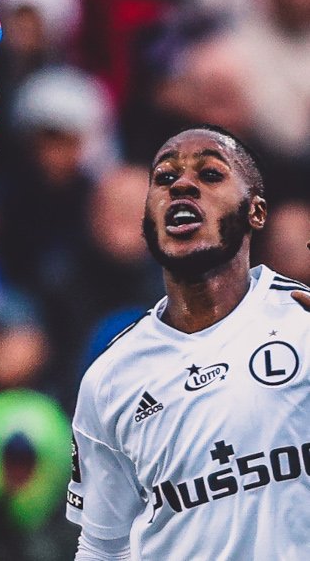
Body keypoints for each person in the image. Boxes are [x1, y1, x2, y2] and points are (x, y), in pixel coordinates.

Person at [67, 126, 310, 560]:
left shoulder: (302, 323)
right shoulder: (110, 377)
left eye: (211, 175)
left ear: (256, 212)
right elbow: (101, 548)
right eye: (164, 178)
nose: (181, 184)